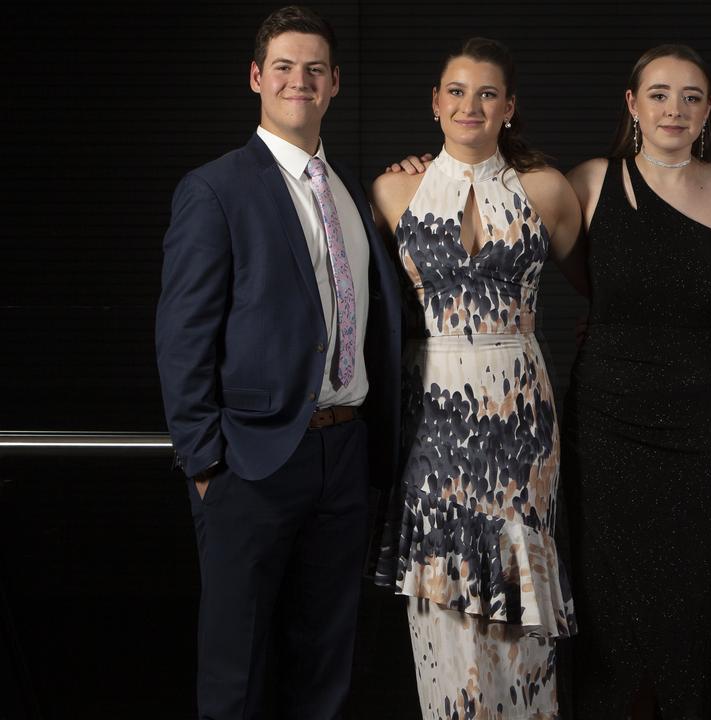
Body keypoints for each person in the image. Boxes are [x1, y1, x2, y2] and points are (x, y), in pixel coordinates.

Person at [154, 6, 401, 718]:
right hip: (251, 463)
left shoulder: (354, 190)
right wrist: (205, 463)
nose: (301, 81)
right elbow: (183, 336)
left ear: (335, 85)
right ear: (257, 78)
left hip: (345, 454)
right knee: (236, 668)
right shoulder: (215, 190)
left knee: (326, 661)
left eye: (315, 70)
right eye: (285, 68)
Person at [368, 37, 583, 719]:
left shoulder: (547, 190)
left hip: (521, 418)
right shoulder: (391, 188)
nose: (470, 104)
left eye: (487, 93)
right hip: (434, 422)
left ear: (509, 108)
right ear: (435, 103)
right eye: (456, 91)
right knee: (444, 604)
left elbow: (613, 294)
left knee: (521, 613)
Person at [560, 45, 711, 718]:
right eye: (659, 93)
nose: (674, 108)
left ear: (708, 110)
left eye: (691, 96)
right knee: (609, 592)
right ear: (632, 104)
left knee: (701, 588)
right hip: (609, 420)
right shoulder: (588, 182)